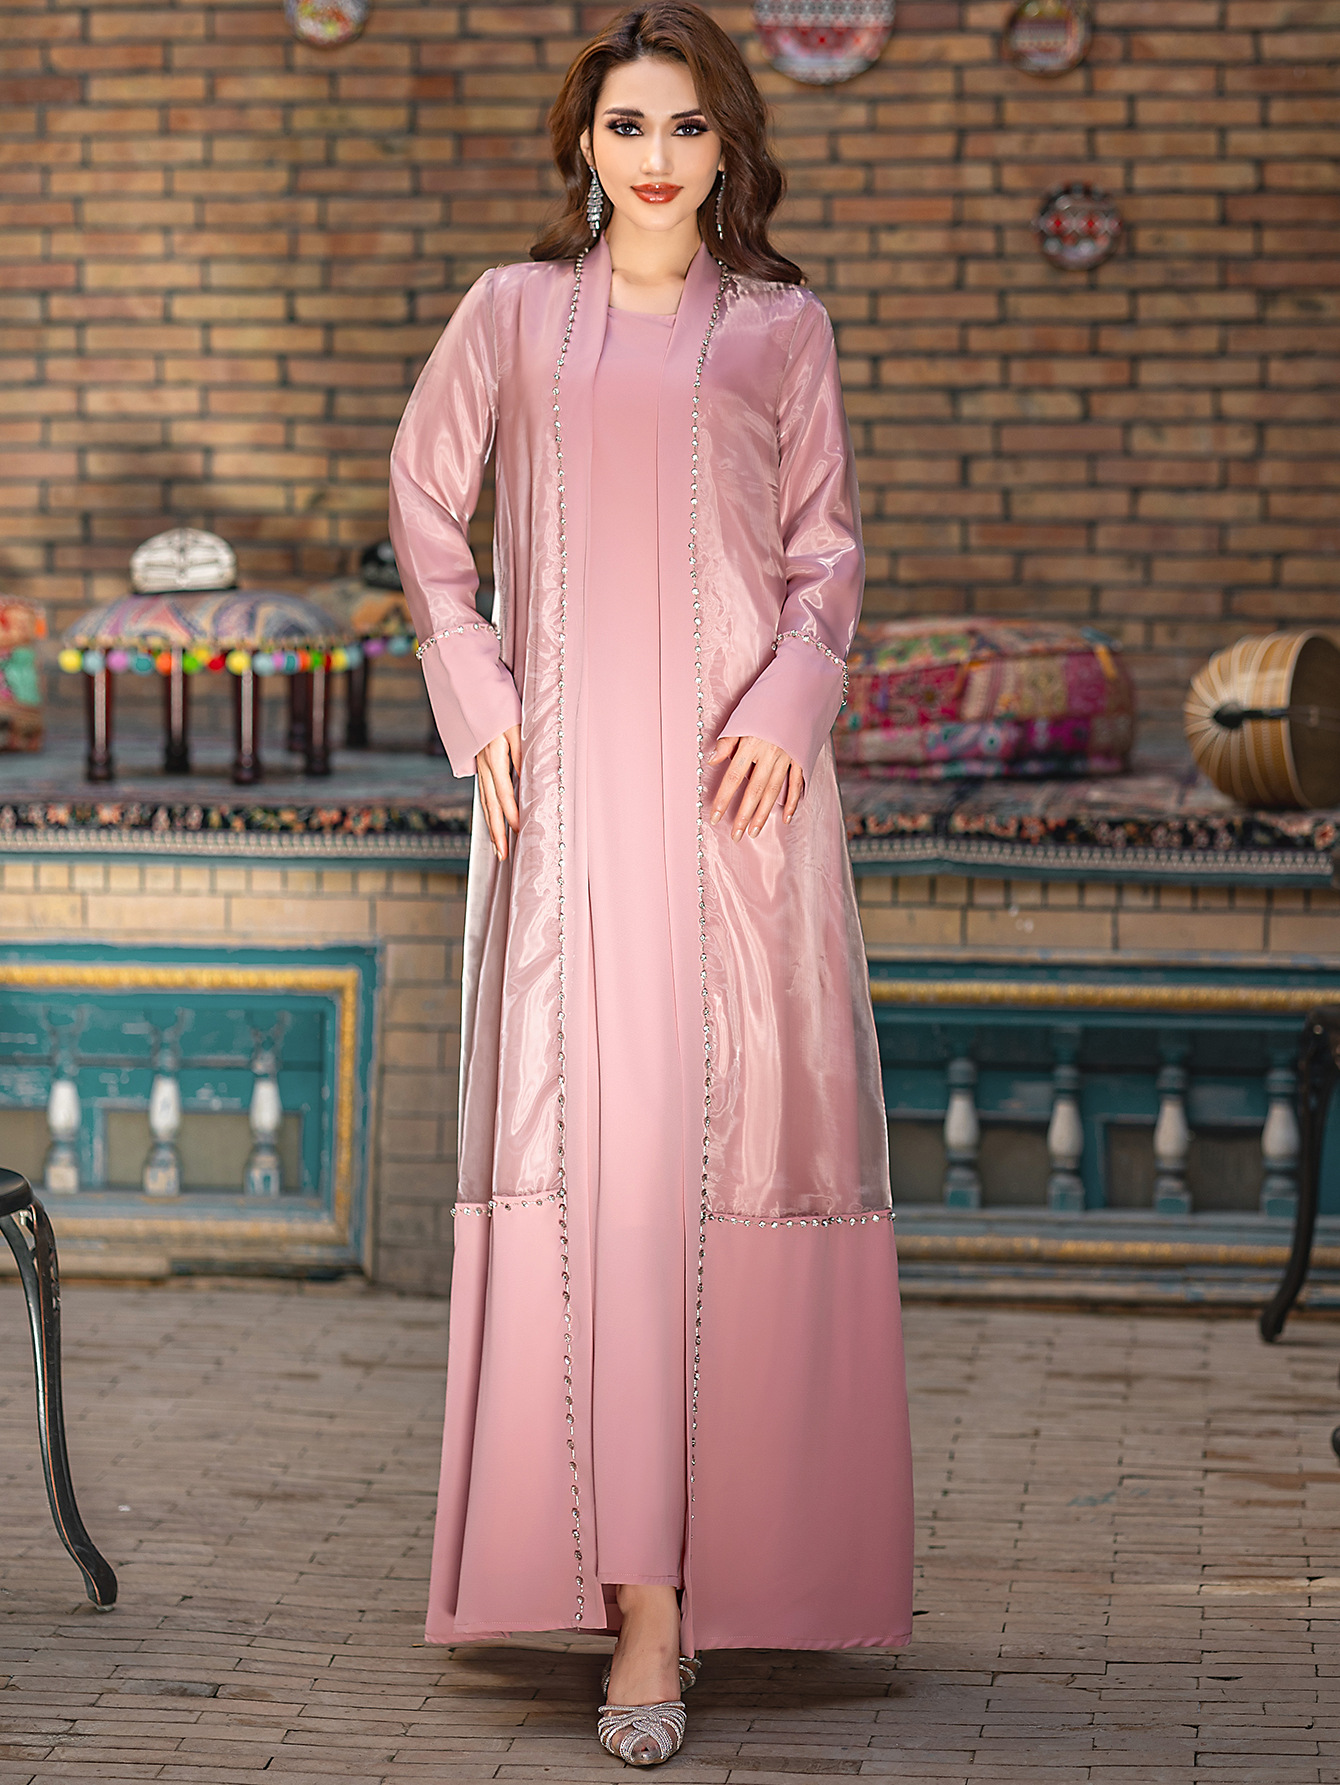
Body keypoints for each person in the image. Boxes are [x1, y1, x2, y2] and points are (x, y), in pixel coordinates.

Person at [388, 3, 913, 1767]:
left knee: (731, 1164)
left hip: (734, 811)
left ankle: (726, 1573)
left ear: (728, 144)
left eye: (688, 126)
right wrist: (480, 699)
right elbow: (425, 506)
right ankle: (639, 1611)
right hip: (566, 817)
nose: (658, 157)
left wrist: (792, 697)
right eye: (628, 125)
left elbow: (828, 552)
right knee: (600, 1182)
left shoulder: (779, 328)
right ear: (584, 144)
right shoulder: (509, 314)